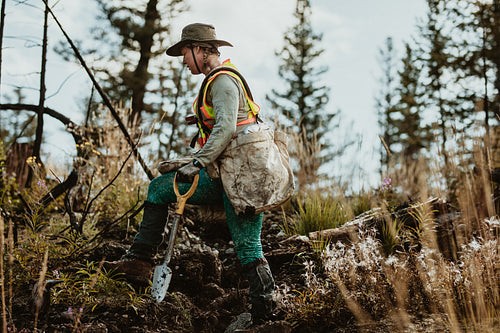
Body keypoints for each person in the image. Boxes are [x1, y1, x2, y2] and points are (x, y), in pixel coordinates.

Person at [104, 23, 294, 325]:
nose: (183, 61)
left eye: (185, 53)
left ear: (200, 50)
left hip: (235, 176)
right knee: (248, 246)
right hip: (244, 178)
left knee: (159, 189)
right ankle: (266, 313)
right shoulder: (221, 80)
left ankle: (139, 260)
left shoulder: (221, 81)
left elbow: (226, 129)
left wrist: (197, 163)